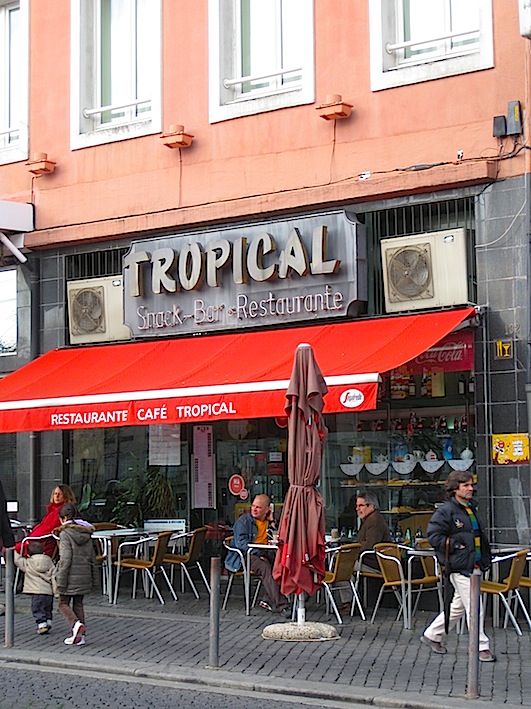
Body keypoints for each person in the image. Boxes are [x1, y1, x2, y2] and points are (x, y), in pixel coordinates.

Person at [420, 470, 495, 662]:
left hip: (473, 563)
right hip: (460, 565)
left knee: (458, 606)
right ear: (455, 488)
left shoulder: (470, 508)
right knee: (474, 605)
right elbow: (433, 536)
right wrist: (456, 546)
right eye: (466, 485)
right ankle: (481, 646)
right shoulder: (446, 511)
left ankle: (432, 634)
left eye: (471, 485)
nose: (471, 488)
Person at [225, 494, 290, 616]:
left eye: (258, 507)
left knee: (282, 564)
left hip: (264, 552)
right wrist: (259, 553)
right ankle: (282, 605)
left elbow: (279, 537)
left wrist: (272, 522)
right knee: (265, 567)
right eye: (253, 506)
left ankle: (268, 599)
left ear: (267, 509)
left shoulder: (268, 522)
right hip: (245, 555)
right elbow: (241, 544)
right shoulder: (244, 522)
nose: (254, 509)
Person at [337, 491, 392, 609]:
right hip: (372, 561)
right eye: (357, 506)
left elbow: (370, 545)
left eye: (361, 505)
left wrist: (352, 547)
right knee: (341, 565)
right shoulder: (370, 519)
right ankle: (351, 601)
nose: (357, 509)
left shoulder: (374, 521)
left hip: (377, 564)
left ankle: (349, 603)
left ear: (371, 506)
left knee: (341, 566)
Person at [54, 502, 99, 647]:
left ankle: (75, 625)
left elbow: (65, 559)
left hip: (69, 576)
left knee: (62, 603)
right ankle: (81, 637)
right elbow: (93, 557)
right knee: (78, 604)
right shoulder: (86, 533)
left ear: (64, 518)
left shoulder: (65, 534)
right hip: (84, 575)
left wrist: (60, 581)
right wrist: (95, 579)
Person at [15, 484, 76, 558]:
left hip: (43, 543)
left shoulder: (62, 511)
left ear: (66, 496)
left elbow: (50, 529)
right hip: (36, 541)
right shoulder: (53, 510)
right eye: (55, 494)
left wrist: (30, 540)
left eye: (60, 494)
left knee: (11, 550)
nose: (56, 496)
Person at [14, 540, 57, 634]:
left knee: (37, 609)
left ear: (28, 555)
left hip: (36, 592)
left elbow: (17, 560)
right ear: (43, 552)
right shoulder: (50, 562)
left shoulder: (28, 563)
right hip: (48, 592)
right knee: (48, 608)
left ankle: (42, 625)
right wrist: (56, 592)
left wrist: (15, 550)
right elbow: (54, 577)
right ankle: (48, 622)